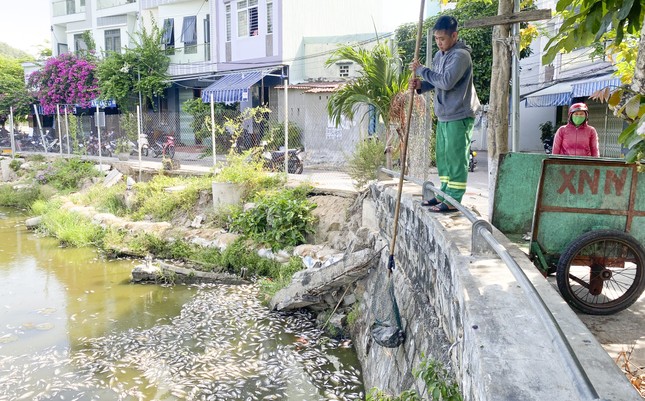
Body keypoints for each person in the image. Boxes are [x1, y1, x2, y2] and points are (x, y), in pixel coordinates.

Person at [410, 15, 480, 213]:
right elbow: (436, 80)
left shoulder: (461, 56)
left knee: (456, 157)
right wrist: (420, 85)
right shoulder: (440, 56)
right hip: (443, 114)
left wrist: (422, 70)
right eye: (436, 39)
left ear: (454, 35)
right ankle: (444, 194)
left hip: (459, 113)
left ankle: (454, 200)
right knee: (443, 157)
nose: (439, 43)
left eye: (442, 39)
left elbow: (447, 81)